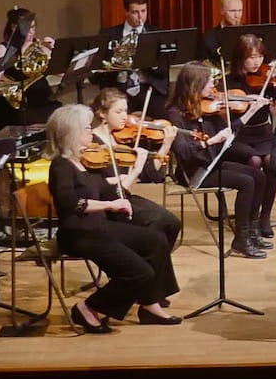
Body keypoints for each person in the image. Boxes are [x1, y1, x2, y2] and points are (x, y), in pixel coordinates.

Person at [44, 105, 181, 331]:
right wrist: (110, 205)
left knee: (155, 240)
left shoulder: (84, 161)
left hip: (99, 226)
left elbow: (108, 189)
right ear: (71, 132)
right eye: (86, 128)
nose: (91, 132)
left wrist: (134, 173)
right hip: (78, 234)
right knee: (140, 272)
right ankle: (88, 308)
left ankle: (150, 305)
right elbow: (72, 203)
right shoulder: (61, 166)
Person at [166, 62, 274, 259]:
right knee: (246, 182)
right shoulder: (175, 114)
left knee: (258, 176)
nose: (213, 86)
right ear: (195, 84)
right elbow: (183, 151)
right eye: (208, 82)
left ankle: (252, 231)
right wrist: (211, 142)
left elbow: (230, 131)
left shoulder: (208, 109)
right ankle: (241, 238)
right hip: (194, 172)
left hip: (211, 164)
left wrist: (251, 110)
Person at [89, 88, 182, 256]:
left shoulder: (119, 139)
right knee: (157, 224)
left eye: (126, 110)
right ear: (102, 113)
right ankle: (140, 262)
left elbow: (147, 173)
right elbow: (106, 188)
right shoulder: (93, 145)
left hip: (125, 198)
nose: (125, 116)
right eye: (118, 112)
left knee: (172, 223)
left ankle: (154, 263)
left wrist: (166, 145)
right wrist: (134, 172)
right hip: (109, 204)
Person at [224, 33, 276, 239]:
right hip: (239, 136)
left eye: (260, 56)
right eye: (251, 57)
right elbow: (226, 119)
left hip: (263, 132)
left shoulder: (267, 79)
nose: (257, 62)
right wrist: (249, 105)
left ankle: (265, 216)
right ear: (240, 58)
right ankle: (250, 218)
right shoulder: (229, 82)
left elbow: (274, 111)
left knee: (272, 162)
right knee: (254, 161)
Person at [96, 0, 170, 118]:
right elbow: (100, 68)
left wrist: (149, 60)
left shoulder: (157, 33)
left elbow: (164, 70)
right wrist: (118, 60)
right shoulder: (108, 34)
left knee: (164, 118)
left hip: (149, 88)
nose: (140, 17)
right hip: (120, 89)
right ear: (126, 12)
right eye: (135, 12)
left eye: (143, 11)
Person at [0, 6, 61, 126]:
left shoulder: (39, 46)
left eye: (33, 27)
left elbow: (61, 73)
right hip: (16, 106)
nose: (31, 32)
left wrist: (54, 51)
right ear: (13, 28)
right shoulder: (3, 49)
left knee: (60, 117)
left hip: (43, 100)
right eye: (27, 28)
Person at [200, 0, 246, 64]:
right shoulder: (209, 37)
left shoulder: (249, 34)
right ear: (222, 11)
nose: (237, 15)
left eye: (240, 10)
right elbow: (204, 64)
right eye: (232, 11)